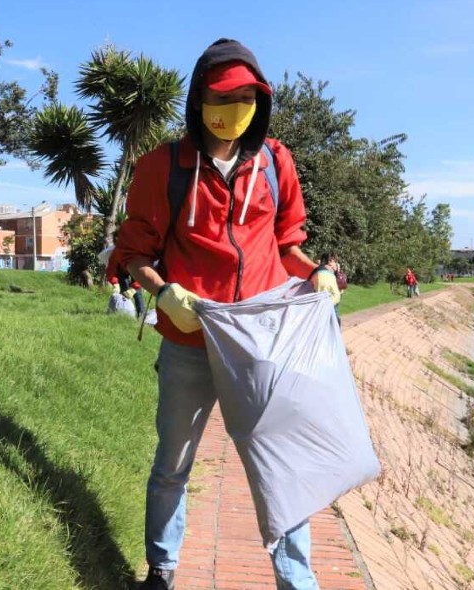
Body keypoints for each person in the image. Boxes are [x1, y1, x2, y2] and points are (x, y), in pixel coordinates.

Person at [114, 38, 323, 590]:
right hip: (189, 342)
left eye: (247, 99)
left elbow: (287, 244)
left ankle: (295, 580)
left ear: (261, 102)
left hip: (259, 342)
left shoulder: (276, 161)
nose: (233, 111)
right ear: (199, 99)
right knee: (173, 463)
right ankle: (162, 568)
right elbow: (134, 252)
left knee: (279, 465)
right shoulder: (165, 166)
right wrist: (162, 294)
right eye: (222, 97)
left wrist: (317, 271)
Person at [313, 253, 342, 326]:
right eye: (332, 261)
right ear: (328, 262)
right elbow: (336, 296)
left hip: (317, 307)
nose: (335, 263)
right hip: (327, 306)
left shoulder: (316, 272)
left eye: (335, 261)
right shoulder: (328, 275)